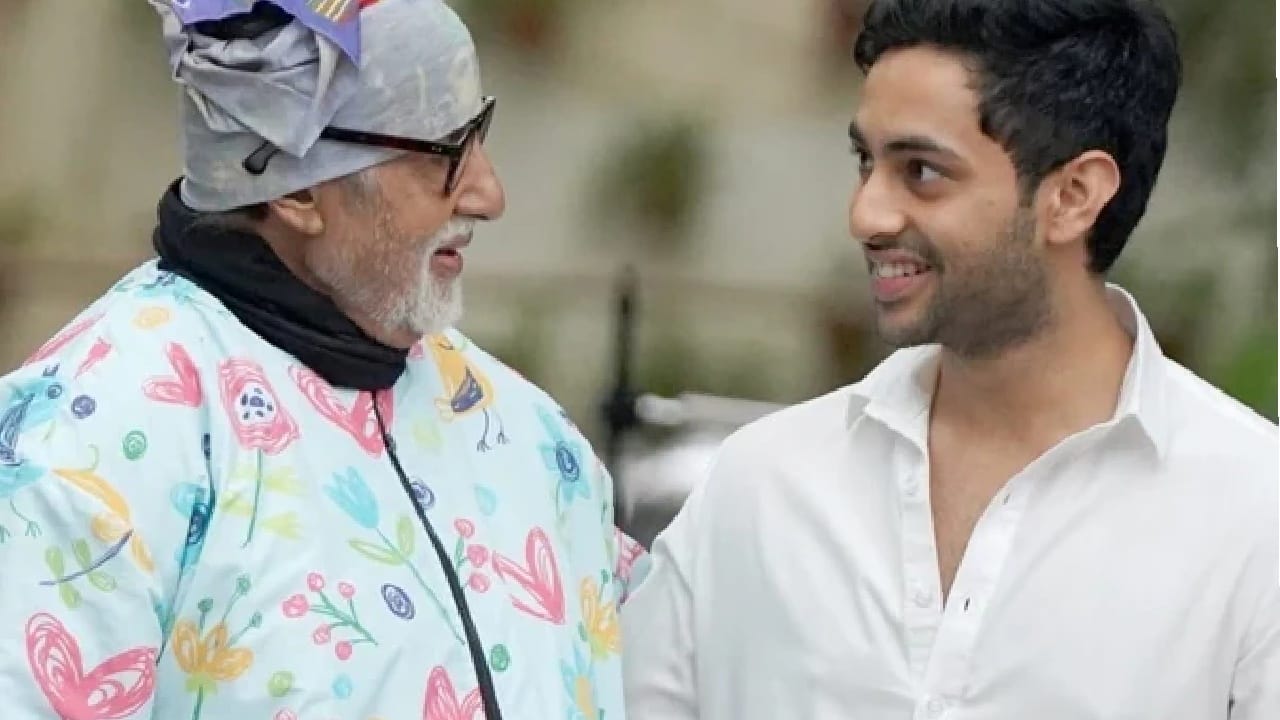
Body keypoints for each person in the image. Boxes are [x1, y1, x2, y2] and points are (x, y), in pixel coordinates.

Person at [621, 0, 1278, 718]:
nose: (866, 215)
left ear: (1073, 196)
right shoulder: (761, 487)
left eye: (922, 171)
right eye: (866, 162)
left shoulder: (1252, 514)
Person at [0, 1, 646, 718]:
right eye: (444, 151)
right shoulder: (89, 437)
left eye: (479, 130)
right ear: (300, 187)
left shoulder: (524, 430)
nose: (488, 194)